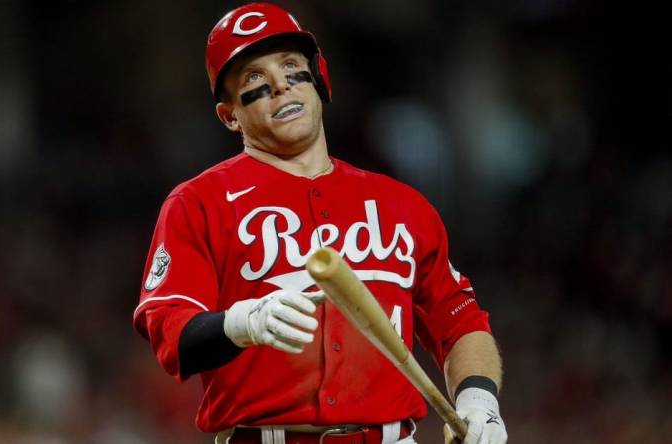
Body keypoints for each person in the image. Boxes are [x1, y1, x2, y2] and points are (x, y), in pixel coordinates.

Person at [133, 3, 507, 444]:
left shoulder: (402, 205)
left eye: (292, 67)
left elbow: (459, 321)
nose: (279, 85)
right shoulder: (198, 203)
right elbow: (171, 332)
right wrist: (240, 323)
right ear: (229, 114)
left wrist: (480, 400)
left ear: (319, 80)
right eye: (254, 79)